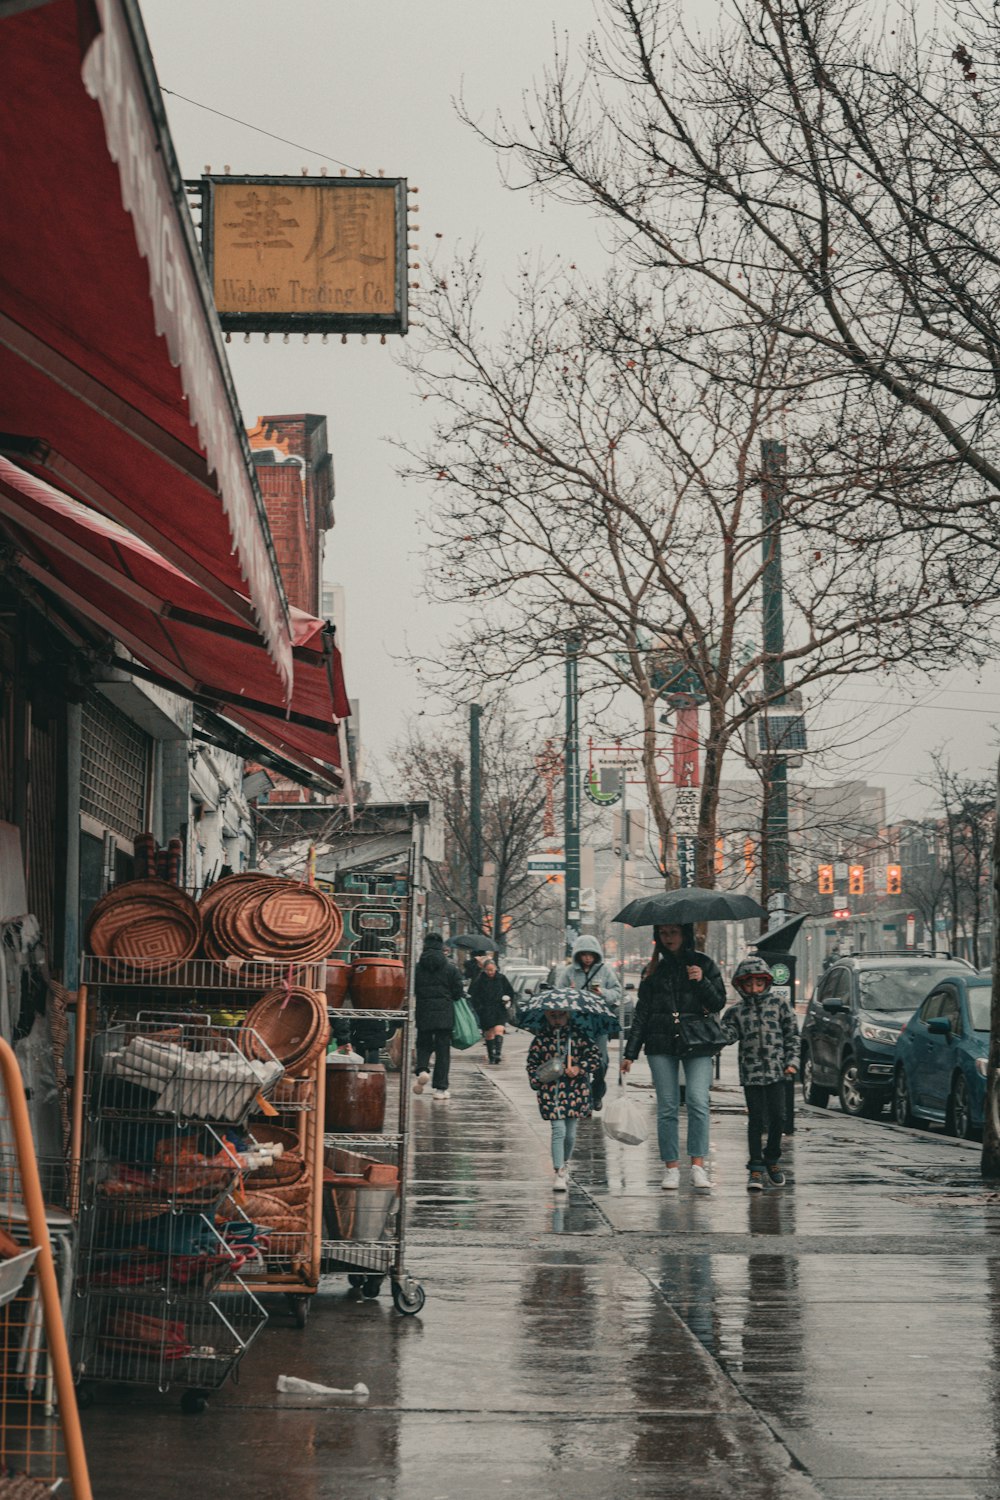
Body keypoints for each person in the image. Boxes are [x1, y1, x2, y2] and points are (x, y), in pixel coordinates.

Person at [621, 922, 726, 1191]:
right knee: (667, 1106)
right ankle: (671, 1168)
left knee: (698, 1101)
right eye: (663, 933)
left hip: (698, 1041)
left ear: (685, 934)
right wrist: (630, 1052)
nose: (668, 938)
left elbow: (718, 1003)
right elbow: (642, 1013)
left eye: (673, 932)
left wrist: (701, 981)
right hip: (660, 1041)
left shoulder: (703, 964)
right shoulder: (653, 970)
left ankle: (698, 1166)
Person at [721, 955, 799, 1191]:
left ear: (766, 982)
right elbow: (728, 1036)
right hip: (751, 1073)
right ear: (741, 985)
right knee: (756, 1120)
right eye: (748, 984)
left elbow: (792, 1034)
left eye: (758, 983)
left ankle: (772, 1159)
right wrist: (715, 1024)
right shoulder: (737, 1012)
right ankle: (756, 1167)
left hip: (778, 1072)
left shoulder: (779, 1005)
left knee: (778, 1117)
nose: (754, 989)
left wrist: (792, 1062)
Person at [526, 996, 602, 1192]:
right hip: (551, 1092)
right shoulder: (541, 1039)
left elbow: (595, 1058)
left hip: (575, 1091)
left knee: (570, 1133)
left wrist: (579, 1068)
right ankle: (559, 1170)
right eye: (553, 1016)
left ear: (568, 1015)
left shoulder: (579, 1036)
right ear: (546, 1016)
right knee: (558, 1130)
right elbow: (532, 1064)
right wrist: (538, 1078)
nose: (557, 1019)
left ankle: (565, 1162)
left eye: (561, 1015)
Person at [555, 935, 621, 1112]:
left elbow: (617, 991)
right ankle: (583, 1097)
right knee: (577, 1060)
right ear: (578, 955)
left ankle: (597, 1091)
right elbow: (557, 992)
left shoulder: (605, 970)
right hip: (576, 1022)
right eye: (583, 954)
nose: (587, 958)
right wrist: (567, 994)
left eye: (591, 954)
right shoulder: (569, 972)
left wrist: (603, 993)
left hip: (599, 1021)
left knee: (602, 1061)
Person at [413, 932, 464, 1101]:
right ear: (442, 947)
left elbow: (414, 989)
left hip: (424, 1011)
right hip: (444, 1014)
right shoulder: (450, 967)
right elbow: (458, 992)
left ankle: (422, 1070)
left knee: (423, 1043)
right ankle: (440, 1089)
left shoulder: (418, 968)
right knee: (443, 1051)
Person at [469, 956, 515, 1064]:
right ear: (484, 970)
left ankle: (498, 1053)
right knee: (489, 1034)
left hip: (499, 1008)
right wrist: (479, 1007)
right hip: (485, 1010)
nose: (490, 972)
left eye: (492, 970)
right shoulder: (479, 980)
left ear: (496, 969)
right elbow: (473, 995)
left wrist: (507, 1000)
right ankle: (491, 1055)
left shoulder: (502, 978)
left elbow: (510, 992)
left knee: (499, 1029)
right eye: (488, 970)